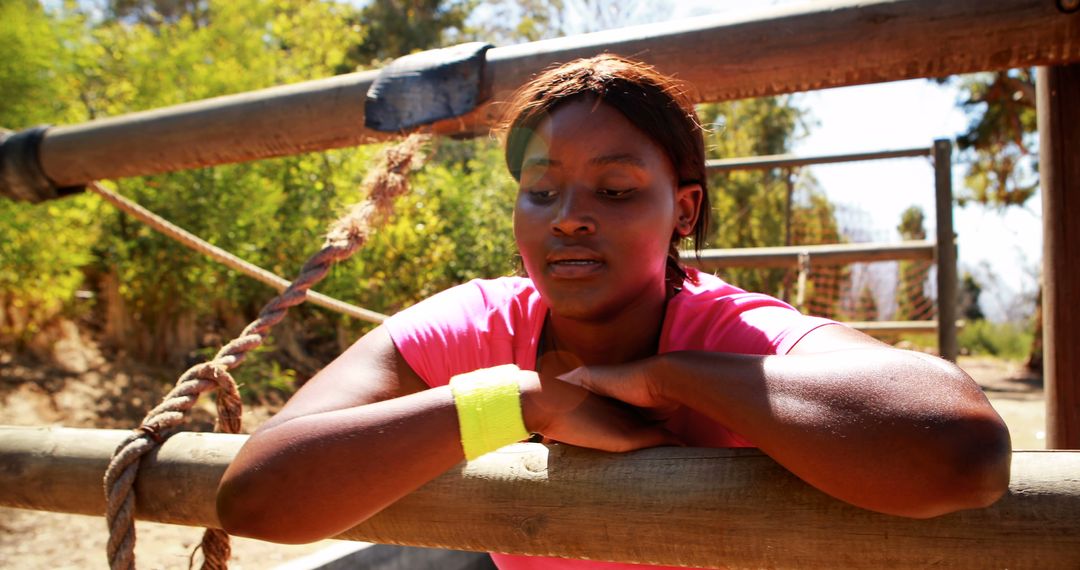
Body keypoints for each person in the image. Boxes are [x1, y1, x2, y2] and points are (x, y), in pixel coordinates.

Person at [217, 55, 1012, 569]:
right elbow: (256, 497)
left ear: (685, 210)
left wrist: (672, 380)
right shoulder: (479, 326)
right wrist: (523, 401)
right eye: (541, 189)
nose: (567, 216)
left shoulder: (740, 334)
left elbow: (961, 454)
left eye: (617, 189)